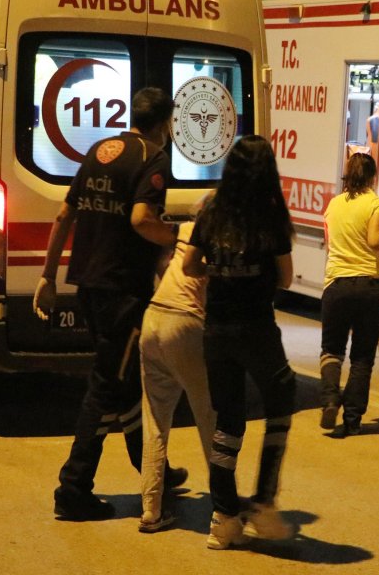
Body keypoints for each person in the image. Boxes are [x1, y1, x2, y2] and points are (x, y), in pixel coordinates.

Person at [32, 86, 185, 521]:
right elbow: (141, 219)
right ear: (165, 123)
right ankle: (73, 488)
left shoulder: (100, 150)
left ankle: (154, 470)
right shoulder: (153, 157)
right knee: (106, 385)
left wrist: (47, 276)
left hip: (88, 284)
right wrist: (179, 237)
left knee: (126, 381)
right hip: (123, 292)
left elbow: (65, 214)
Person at [183, 135, 298, 550]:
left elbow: (189, 264)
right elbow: (286, 278)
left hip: (217, 330)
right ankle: (264, 500)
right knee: (281, 396)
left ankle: (223, 518)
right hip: (256, 328)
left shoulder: (211, 211)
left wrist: (219, 269)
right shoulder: (269, 216)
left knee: (227, 423)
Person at [137, 208, 216, 533]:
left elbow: (163, 264)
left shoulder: (184, 230)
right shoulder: (220, 238)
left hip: (153, 317)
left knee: (155, 421)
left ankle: (151, 511)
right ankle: (224, 509)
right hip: (184, 322)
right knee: (209, 418)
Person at [319, 153, 379, 437]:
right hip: (368, 286)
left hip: (337, 284)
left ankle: (330, 400)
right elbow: (376, 241)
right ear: (372, 177)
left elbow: (330, 244)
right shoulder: (376, 203)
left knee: (331, 350)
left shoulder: (333, 205)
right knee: (362, 357)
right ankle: (352, 420)